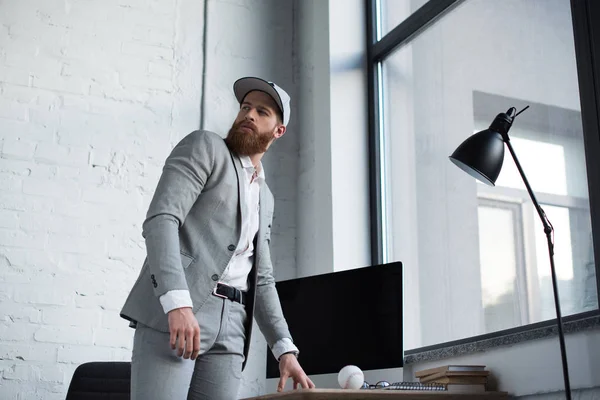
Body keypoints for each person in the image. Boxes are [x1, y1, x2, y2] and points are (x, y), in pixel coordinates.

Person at [120, 77, 315, 399]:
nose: (249, 115)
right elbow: (161, 220)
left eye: (262, 112)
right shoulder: (205, 147)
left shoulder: (265, 196)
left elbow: (261, 277)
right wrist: (178, 304)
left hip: (234, 325)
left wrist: (285, 349)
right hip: (185, 307)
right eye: (245, 107)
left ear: (278, 131)